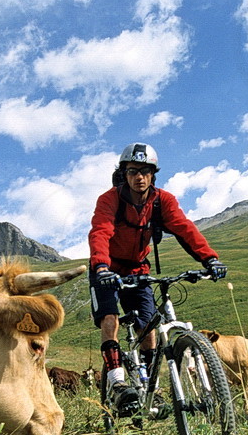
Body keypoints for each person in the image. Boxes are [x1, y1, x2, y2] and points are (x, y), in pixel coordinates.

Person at [88, 142, 227, 416]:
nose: (139, 177)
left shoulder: (163, 201)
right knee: (110, 319)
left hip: (139, 269)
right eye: (132, 171)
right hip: (107, 270)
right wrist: (102, 268)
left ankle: (151, 387)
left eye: (145, 171)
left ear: (153, 174)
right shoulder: (109, 200)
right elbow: (100, 232)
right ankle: (117, 382)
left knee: (148, 327)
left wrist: (209, 259)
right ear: (124, 175)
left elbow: (184, 229)